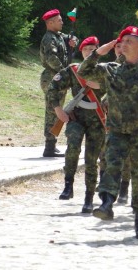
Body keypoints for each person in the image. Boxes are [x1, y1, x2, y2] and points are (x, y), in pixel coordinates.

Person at [78, 26, 138, 239]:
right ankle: (107, 203)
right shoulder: (110, 69)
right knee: (112, 166)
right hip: (117, 130)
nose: (125, 43)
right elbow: (83, 71)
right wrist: (99, 51)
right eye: (123, 40)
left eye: (131, 40)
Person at [47, 36, 106, 213]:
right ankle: (68, 184)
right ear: (81, 52)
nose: (89, 53)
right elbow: (53, 88)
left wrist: (102, 84)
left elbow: (122, 89)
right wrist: (58, 109)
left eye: (93, 50)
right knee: (72, 147)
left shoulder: (105, 71)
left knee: (91, 157)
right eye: (86, 50)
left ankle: (89, 197)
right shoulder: (73, 71)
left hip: (98, 119)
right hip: (76, 117)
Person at [39, 9, 77, 157]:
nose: (62, 22)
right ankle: (49, 147)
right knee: (52, 110)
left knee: (57, 110)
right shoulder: (49, 38)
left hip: (59, 77)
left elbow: (72, 39)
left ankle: (51, 144)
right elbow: (51, 59)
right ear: (50, 23)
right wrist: (65, 72)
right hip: (52, 77)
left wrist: (74, 41)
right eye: (59, 20)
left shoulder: (59, 36)